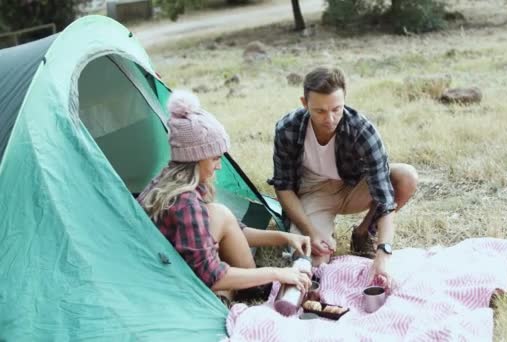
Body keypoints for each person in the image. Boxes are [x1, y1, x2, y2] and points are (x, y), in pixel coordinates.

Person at [138, 90, 312, 302]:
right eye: (214, 159)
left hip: (164, 267)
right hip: (169, 283)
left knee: (220, 213)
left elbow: (235, 231)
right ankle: (233, 294)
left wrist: (284, 237)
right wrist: (276, 272)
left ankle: (243, 289)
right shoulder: (186, 203)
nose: (219, 166)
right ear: (195, 158)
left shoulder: (170, 180)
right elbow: (212, 276)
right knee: (219, 229)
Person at [268, 67, 418, 286]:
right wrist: (310, 232)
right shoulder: (287, 128)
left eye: (336, 109)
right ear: (304, 103)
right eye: (319, 111)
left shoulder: (362, 129)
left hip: (354, 187)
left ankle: (364, 232)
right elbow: (284, 187)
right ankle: (321, 233)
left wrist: (383, 254)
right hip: (314, 191)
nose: (329, 118)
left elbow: (385, 200)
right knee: (313, 263)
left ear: (344, 100)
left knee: (406, 177)